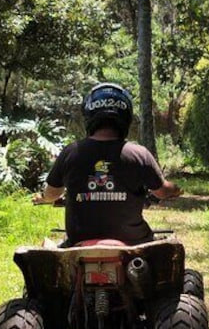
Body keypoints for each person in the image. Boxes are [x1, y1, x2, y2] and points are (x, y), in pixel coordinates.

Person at [33, 82, 183, 246]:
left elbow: (52, 194)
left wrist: (44, 198)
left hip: (78, 243)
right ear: (126, 116)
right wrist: (176, 189)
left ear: (89, 115)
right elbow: (162, 191)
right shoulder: (139, 154)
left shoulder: (71, 152)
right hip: (133, 242)